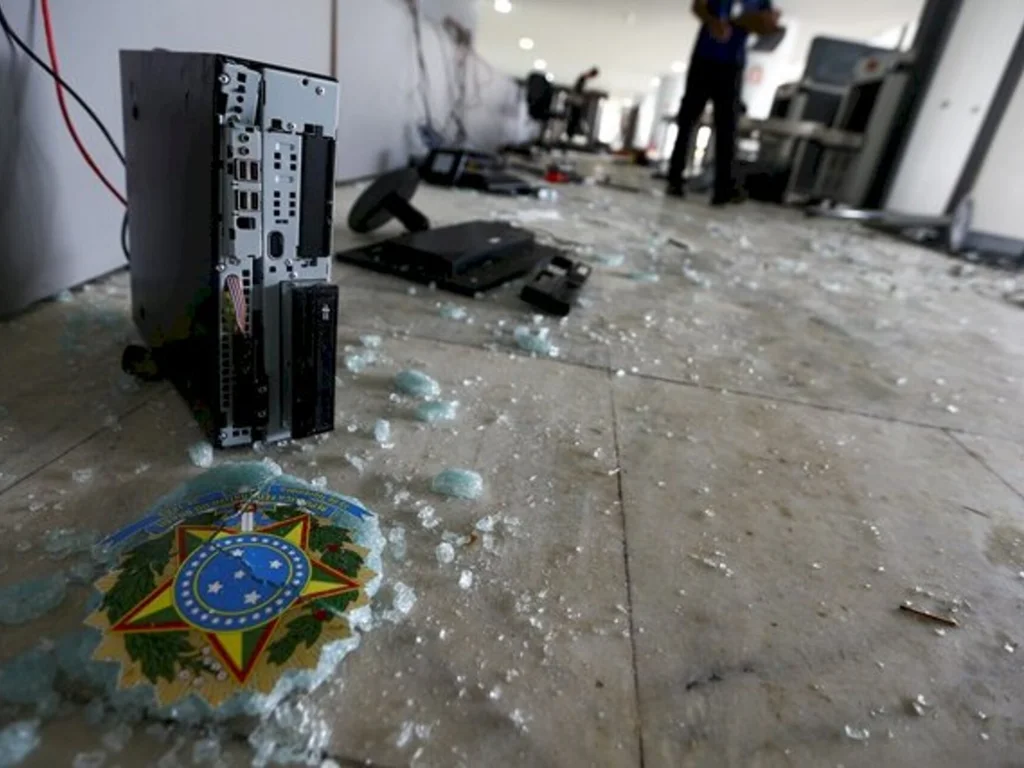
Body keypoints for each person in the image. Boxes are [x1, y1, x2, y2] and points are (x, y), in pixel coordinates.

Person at [666, 0, 781, 205]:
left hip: (732, 65)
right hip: (704, 59)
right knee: (687, 119)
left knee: (727, 127)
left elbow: (768, 25)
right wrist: (714, 22)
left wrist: (741, 22)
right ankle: (674, 179)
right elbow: (698, 6)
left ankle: (723, 188)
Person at [566, 66, 600, 139]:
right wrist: (586, 94)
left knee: (575, 118)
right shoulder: (582, 78)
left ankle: (570, 134)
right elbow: (578, 91)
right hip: (575, 102)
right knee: (574, 118)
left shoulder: (583, 78)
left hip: (577, 101)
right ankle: (569, 134)